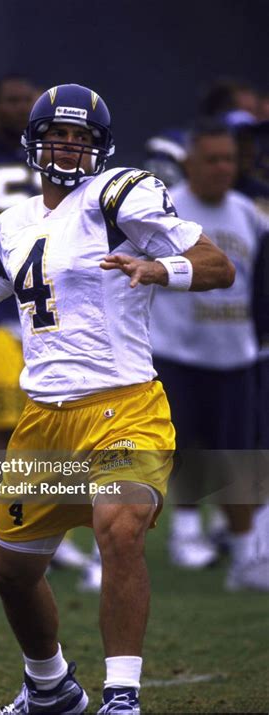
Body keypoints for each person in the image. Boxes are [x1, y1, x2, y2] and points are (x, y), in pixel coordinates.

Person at [0, 83, 234, 714]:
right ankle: (50, 684)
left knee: (119, 530)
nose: (69, 145)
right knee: (10, 573)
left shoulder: (121, 193)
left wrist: (159, 269)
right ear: (35, 143)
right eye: (58, 134)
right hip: (42, 418)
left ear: (100, 146)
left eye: (82, 136)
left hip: (125, 403)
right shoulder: (10, 226)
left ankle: (122, 695)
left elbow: (216, 265)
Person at [0, 74, 88, 575]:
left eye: (27, 100)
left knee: (53, 423)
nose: (20, 107)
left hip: (47, 308)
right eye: (10, 100)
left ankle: (44, 528)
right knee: (1, 425)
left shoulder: (65, 159)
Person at [150, 118, 269, 590]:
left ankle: (246, 559)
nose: (223, 168)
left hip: (234, 355)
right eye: (212, 159)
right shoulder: (165, 209)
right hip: (175, 351)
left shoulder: (248, 213)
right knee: (173, 451)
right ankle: (183, 535)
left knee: (238, 458)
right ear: (190, 162)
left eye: (229, 159)